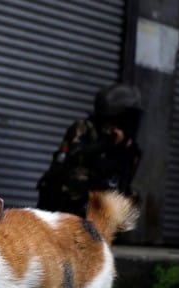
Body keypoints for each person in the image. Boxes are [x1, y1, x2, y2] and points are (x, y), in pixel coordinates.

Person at [36, 83, 143, 217]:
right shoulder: (85, 128)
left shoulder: (128, 146)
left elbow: (122, 181)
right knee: (79, 179)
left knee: (132, 197)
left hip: (97, 208)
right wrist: (105, 144)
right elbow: (74, 157)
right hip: (65, 201)